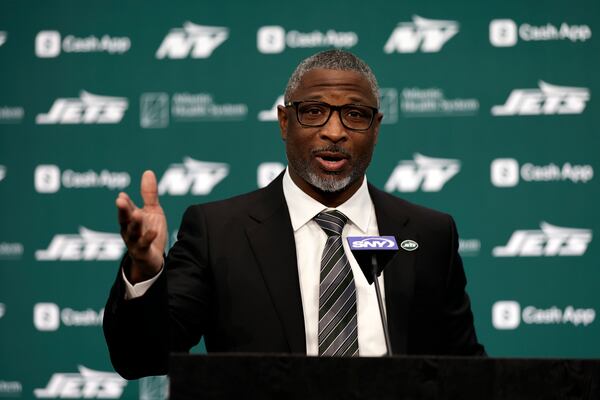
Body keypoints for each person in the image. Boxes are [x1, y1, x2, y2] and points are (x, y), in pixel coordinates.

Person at [103, 49, 485, 380]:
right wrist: (146, 271)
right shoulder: (219, 231)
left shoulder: (428, 233)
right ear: (285, 122)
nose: (334, 131)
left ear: (376, 128)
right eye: (315, 112)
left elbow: (466, 370)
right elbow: (141, 359)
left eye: (354, 114)